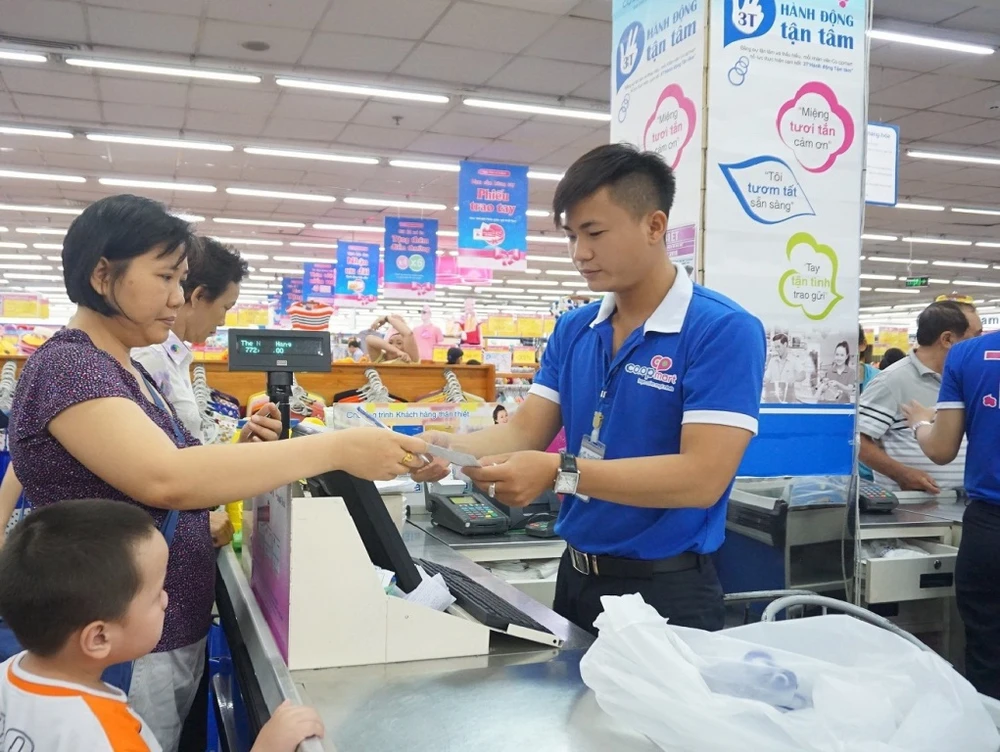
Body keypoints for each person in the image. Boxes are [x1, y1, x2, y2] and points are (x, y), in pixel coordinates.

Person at [7, 194, 428, 751]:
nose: (177, 297)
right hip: (114, 646)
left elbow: (161, 475)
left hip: (149, 634)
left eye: (181, 280)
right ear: (102, 275)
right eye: (164, 277)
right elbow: (167, 478)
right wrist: (337, 449)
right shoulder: (72, 367)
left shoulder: (122, 365)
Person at [414, 144, 765, 635]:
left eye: (595, 233)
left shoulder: (721, 330)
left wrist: (561, 473)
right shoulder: (575, 329)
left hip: (666, 593)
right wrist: (449, 446)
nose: (580, 253)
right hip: (576, 576)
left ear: (654, 226)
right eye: (572, 235)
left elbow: (702, 477)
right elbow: (523, 434)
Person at [0, 499, 323, 751]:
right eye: (156, 595)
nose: (166, 600)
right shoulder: (107, 737)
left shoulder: (9, 675)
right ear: (98, 638)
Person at [132, 236, 250, 554]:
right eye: (225, 307)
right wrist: (192, 521)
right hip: (160, 544)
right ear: (197, 296)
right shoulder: (149, 359)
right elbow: (135, 471)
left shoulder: (173, 359)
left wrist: (240, 450)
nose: (222, 321)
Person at [901, 326, 1000, 699]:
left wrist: (920, 424)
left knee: (989, 650)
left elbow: (941, 449)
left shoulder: (968, 355)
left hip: (991, 529)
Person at [858, 301, 979, 494]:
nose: (980, 345)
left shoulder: (969, 378)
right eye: (975, 336)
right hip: (915, 505)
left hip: (967, 500)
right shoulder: (892, 380)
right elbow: (857, 439)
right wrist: (900, 473)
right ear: (947, 339)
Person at [764, 333, 806, 403]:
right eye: (775, 347)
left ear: (785, 344)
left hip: (789, 399)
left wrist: (795, 378)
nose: (777, 349)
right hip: (774, 400)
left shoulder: (794, 360)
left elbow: (803, 375)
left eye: (778, 347)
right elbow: (767, 378)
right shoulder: (772, 361)